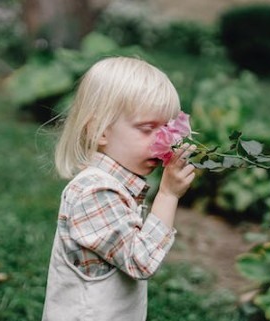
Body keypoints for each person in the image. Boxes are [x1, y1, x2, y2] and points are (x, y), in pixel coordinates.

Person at [42, 56, 196, 321]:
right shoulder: (95, 192)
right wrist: (168, 195)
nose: (164, 140)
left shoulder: (113, 185)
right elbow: (140, 260)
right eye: (148, 129)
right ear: (100, 131)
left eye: (167, 129)